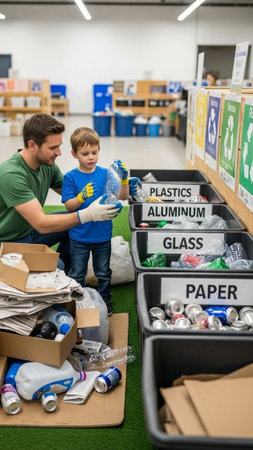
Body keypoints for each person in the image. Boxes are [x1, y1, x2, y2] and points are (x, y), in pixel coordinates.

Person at [0, 114, 120, 273]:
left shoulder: (46, 164)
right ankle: (61, 271)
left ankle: (71, 275)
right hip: (7, 242)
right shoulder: (12, 175)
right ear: (32, 145)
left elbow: (73, 191)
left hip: (29, 231)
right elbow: (41, 224)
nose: (59, 152)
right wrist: (88, 215)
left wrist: (118, 184)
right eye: (52, 148)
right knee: (59, 266)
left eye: (59, 146)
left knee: (74, 218)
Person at [62, 126, 135, 316]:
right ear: (74, 154)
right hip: (79, 237)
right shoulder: (70, 177)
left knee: (103, 272)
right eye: (85, 153)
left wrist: (125, 181)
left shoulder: (105, 174)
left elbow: (122, 197)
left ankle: (104, 300)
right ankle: (79, 302)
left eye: (94, 152)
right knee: (78, 273)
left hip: (102, 235)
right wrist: (80, 197)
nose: (90, 157)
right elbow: (69, 207)